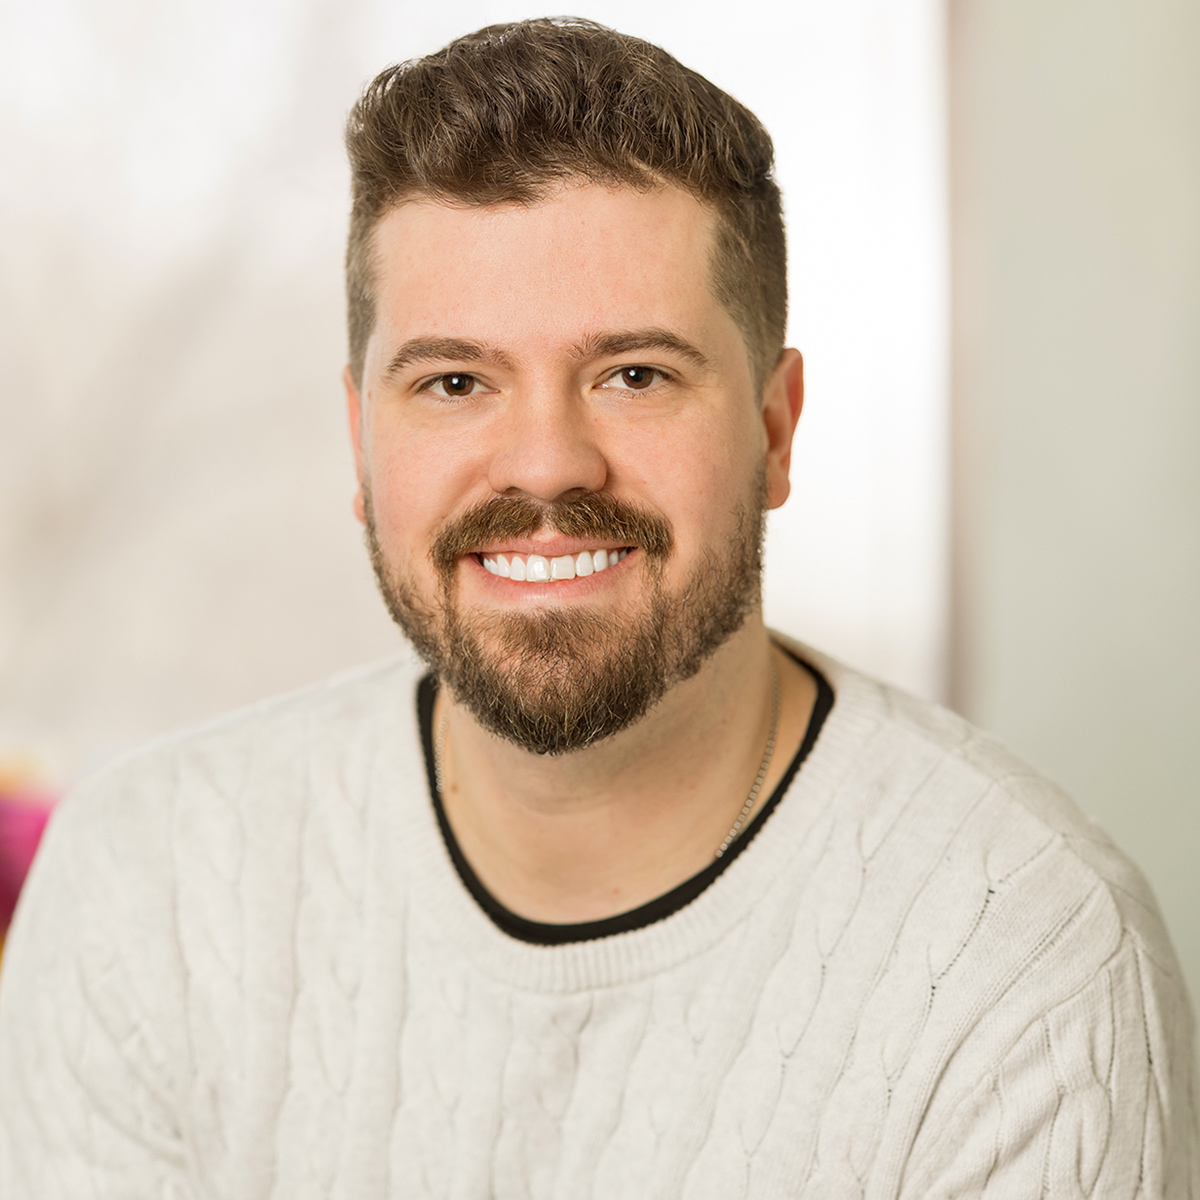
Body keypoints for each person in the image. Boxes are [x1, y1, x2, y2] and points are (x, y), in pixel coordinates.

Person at [0, 17, 1195, 1198]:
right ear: (363, 445)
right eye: (455, 382)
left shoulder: (1025, 969)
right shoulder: (144, 887)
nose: (548, 464)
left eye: (636, 375)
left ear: (775, 430)